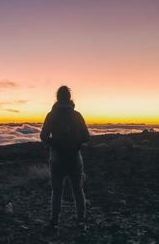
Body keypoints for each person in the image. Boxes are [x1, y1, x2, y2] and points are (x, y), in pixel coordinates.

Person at [40, 85, 90, 232]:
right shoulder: (77, 115)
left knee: (57, 192)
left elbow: (43, 136)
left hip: (57, 159)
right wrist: (75, 143)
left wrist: (54, 143)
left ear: (57, 98)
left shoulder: (51, 115)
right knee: (77, 189)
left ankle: (54, 223)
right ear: (69, 98)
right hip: (75, 158)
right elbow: (86, 137)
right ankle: (81, 221)